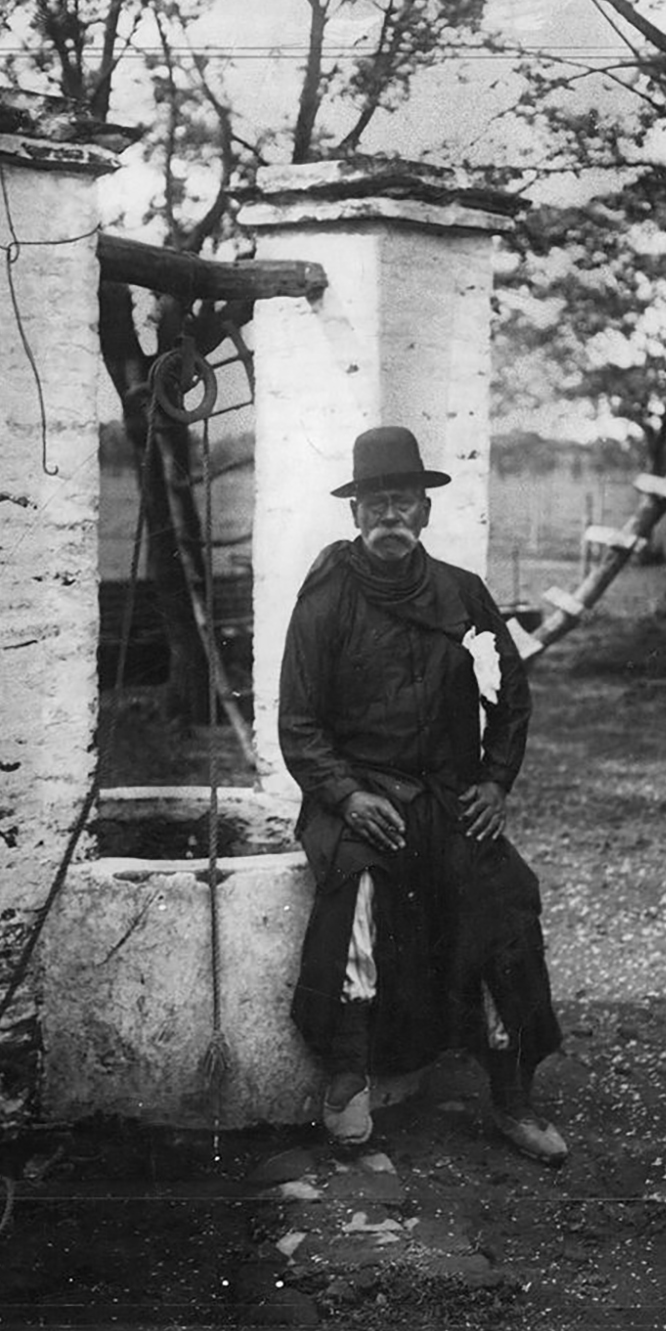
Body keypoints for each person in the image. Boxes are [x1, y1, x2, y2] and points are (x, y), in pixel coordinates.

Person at [278, 425, 566, 1164]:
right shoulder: (325, 601)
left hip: (446, 797)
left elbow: (513, 701)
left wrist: (496, 784)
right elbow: (300, 724)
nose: (389, 518)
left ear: (426, 512)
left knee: (504, 897)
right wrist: (344, 796)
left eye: (403, 502)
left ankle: (512, 1096)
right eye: (375, 504)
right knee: (358, 893)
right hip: (359, 797)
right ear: (355, 515)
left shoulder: (463, 595)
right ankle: (347, 1078)